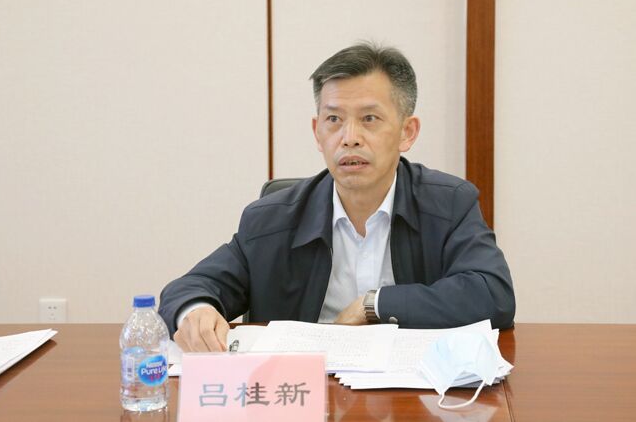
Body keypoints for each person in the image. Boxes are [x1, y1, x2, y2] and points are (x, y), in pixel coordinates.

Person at [159, 43, 515, 352]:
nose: (349, 137)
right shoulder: (271, 219)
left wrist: (374, 305)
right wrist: (196, 310)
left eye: (369, 118)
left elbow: (493, 294)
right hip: (308, 391)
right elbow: (188, 289)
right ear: (318, 132)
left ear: (407, 132)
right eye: (334, 119)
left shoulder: (449, 204)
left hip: (412, 392)